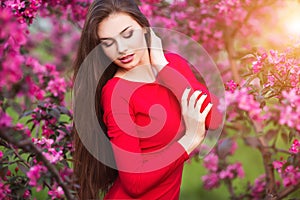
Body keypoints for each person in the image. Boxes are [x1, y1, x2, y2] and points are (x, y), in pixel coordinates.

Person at [72, 0, 223, 199]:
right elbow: (135, 183)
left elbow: (213, 120)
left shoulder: (172, 65)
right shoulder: (116, 93)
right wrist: (188, 142)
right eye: (108, 42)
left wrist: (162, 66)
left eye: (128, 34)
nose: (122, 49)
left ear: (145, 29)